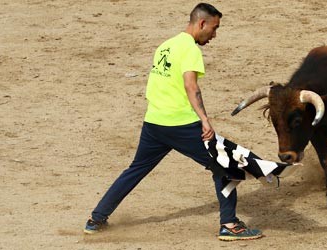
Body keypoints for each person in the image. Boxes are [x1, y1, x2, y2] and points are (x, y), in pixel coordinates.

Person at [83, 3, 263, 241]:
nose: (214, 35)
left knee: (135, 170)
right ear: (202, 23)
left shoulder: (166, 45)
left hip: (154, 123)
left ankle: (96, 219)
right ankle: (230, 225)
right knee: (226, 167)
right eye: (214, 28)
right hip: (181, 125)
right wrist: (205, 121)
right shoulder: (190, 50)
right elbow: (191, 86)